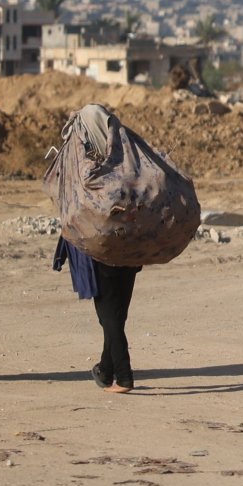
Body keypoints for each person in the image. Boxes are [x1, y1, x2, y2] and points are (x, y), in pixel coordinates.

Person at [53, 103, 144, 394]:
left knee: (108, 316)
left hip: (100, 249)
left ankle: (125, 377)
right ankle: (106, 370)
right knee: (117, 314)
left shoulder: (83, 162)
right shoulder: (131, 158)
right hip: (130, 248)